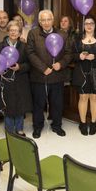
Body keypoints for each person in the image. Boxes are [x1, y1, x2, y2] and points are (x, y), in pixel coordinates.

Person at [27, 10, 72, 138]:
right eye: (43, 20)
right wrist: (43, 68)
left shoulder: (62, 34)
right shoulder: (33, 33)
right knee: (38, 104)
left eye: (48, 19)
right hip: (39, 75)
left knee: (57, 103)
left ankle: (57, 126)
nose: (46, 23)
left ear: (53, 20)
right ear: (39, 22)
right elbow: (30, 53)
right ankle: (37, 127)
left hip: (57, 75)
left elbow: (69, 53)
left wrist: (61, 64)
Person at [72, 15, 96, 135]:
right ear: (84, 26)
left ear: (95, 25)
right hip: (81, 73)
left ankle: (93, 123)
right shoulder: (77, 40)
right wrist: (79, 56)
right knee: (83, 98)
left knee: (94, 98)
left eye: (91, 23)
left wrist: (95, 57)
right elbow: (71, 55)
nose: (89, 25)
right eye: (86, 23)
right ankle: (82, 123)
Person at [0, 21, 32, 136]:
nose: (13, 32)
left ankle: (20, 129)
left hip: (21, 80)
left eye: (16, 31)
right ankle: (10, 130)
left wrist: (20, 67)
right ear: (8, 31)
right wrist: (0, 69)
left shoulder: (24, 46)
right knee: (8, 105)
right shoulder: (0, 46)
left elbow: (29, 64)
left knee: (20, 105)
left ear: (20, 33)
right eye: (11, 30)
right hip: (6, 80)